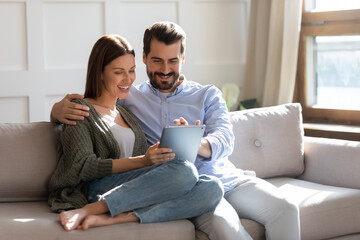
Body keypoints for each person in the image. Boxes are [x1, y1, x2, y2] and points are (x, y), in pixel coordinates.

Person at [51, 22, 301, 239]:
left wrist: (196, 143)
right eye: (157, 60)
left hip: (223, 179)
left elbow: (225, 139)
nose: (165, 69)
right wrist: (56, 111)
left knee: (287, 208)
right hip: (175, 184)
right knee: (228, 227)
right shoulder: (130, 97)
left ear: (183, 59)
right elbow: (97, 106)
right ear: (145, 57)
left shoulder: (207, 95)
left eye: (173, 61)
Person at [48, 34, 223, 231]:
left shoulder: (125, 112)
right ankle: (91, 209)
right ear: (100, 73)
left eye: (131, 71)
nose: (128, 79)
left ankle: (117, 218)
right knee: (186, 172)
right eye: (118, 72)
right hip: (96, 188)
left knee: (212, 187)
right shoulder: (80, 109)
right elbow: (82, 167)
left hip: (134, 188)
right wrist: (143, 161)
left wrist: (161, 156)